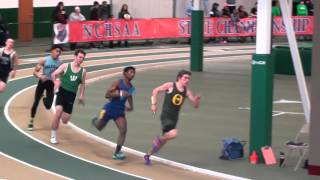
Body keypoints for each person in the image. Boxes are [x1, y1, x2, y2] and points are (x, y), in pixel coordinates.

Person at [143, 70, 201, 165]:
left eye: (188, 78)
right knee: (174, 133)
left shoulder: (187, 92)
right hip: (166, 115)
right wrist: (154, 104)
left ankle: (148, 155)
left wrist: (197, 99)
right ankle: (159, 139)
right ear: (179, 78)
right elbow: (155, 91)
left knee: (162, 143)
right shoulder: (170, 85)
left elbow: (195, 105)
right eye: (185, 78)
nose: (187, 80)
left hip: (174, 119)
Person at [92, 66, 136, 160]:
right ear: (125, 73)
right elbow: (107, 95)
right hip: (109, 109)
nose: (133, 74)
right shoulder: (118, 82)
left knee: (123, 130)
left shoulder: (132, 88)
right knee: (99, 127)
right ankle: (95, 121)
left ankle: (117, 153)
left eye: (134, 72)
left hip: (119, 111)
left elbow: (129, 96)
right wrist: (119, 93)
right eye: (131, 72)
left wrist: (131, 106)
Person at [50, 49, 87, 144]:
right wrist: (56, 82)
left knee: (65, 120)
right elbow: (53, 74)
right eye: (79, 57)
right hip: (62, 92)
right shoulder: (66, 66)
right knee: (57, 113)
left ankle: (63, 115)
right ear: (75, 57)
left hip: (71, 96)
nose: (81, 59)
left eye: (83, 58)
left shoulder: (83, 71)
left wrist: (82, 95)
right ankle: (53, 136)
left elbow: (82, 84)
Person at [28, 45, 63, 130]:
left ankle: (43, 96)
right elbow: (34, 72)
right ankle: (31, 121)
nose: (58, 53)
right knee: (36, 102)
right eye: (57, 51)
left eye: (60, 52)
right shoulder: (44, 60)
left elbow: (62, 76)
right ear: (52, 51)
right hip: (42, 83)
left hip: (51, 84)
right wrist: (40, 76)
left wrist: (59, 82)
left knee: (48, 106)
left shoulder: (60, 63)